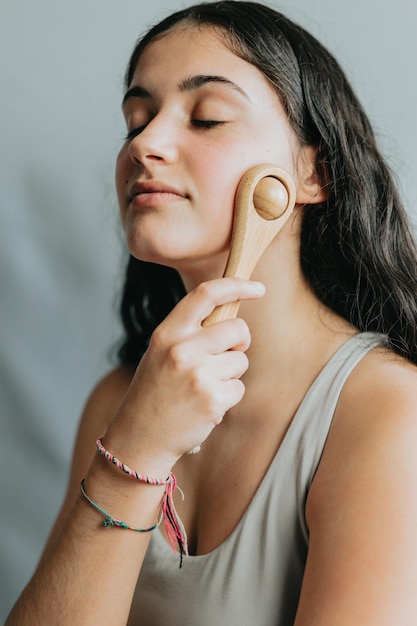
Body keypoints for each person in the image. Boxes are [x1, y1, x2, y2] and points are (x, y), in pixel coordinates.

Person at [6, 1, 417, 624]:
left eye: (207, 118)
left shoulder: (389, 414)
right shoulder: (119, 400)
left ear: (313, 174)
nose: (145, 143)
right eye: (135, 120)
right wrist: (136, 448)